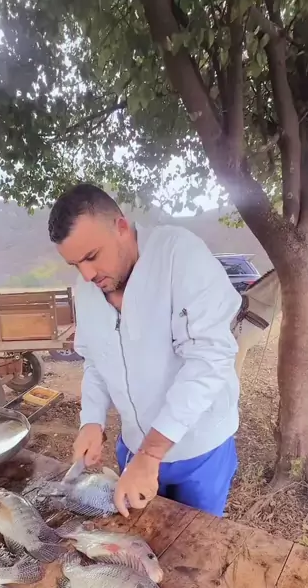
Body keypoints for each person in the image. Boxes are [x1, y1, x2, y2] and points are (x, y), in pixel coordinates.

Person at [48, 184, 241, 519]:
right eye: (75, 264)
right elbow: (95, 361)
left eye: (92, 256)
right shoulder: (87, 289)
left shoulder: (179, 256)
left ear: (121, 227)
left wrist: (151, 455)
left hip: (199, 450)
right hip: (133, 450)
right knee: (137, 537)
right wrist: (91, 421)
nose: (87, 274)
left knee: (194, 543)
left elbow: (208, 360)